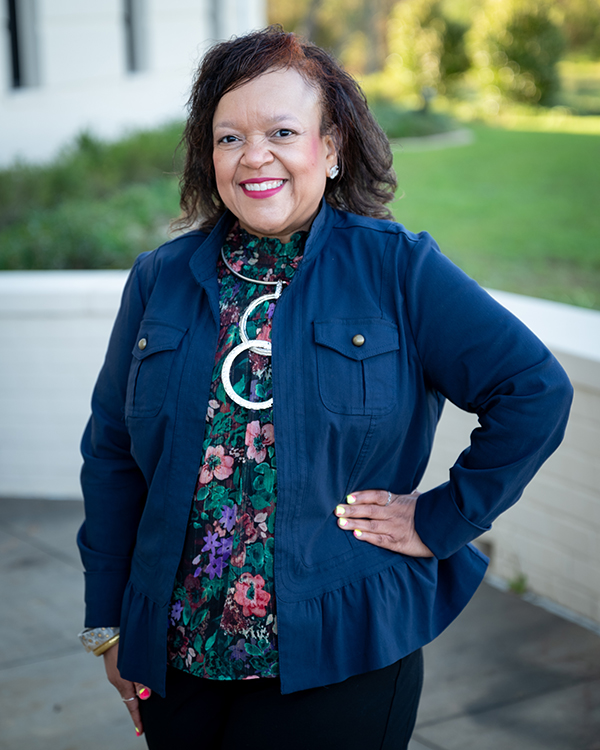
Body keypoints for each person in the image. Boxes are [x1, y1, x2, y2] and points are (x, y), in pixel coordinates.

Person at [77, 26, 573, 750]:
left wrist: (442, 518)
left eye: (282, 130)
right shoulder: (160, 278)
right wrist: (109, 621)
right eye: (228, 138)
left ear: (333, 146)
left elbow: (534, 389)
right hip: (178, 654)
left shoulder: (398, 270)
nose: (254, 157)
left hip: (341, 654)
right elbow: (113, 452)